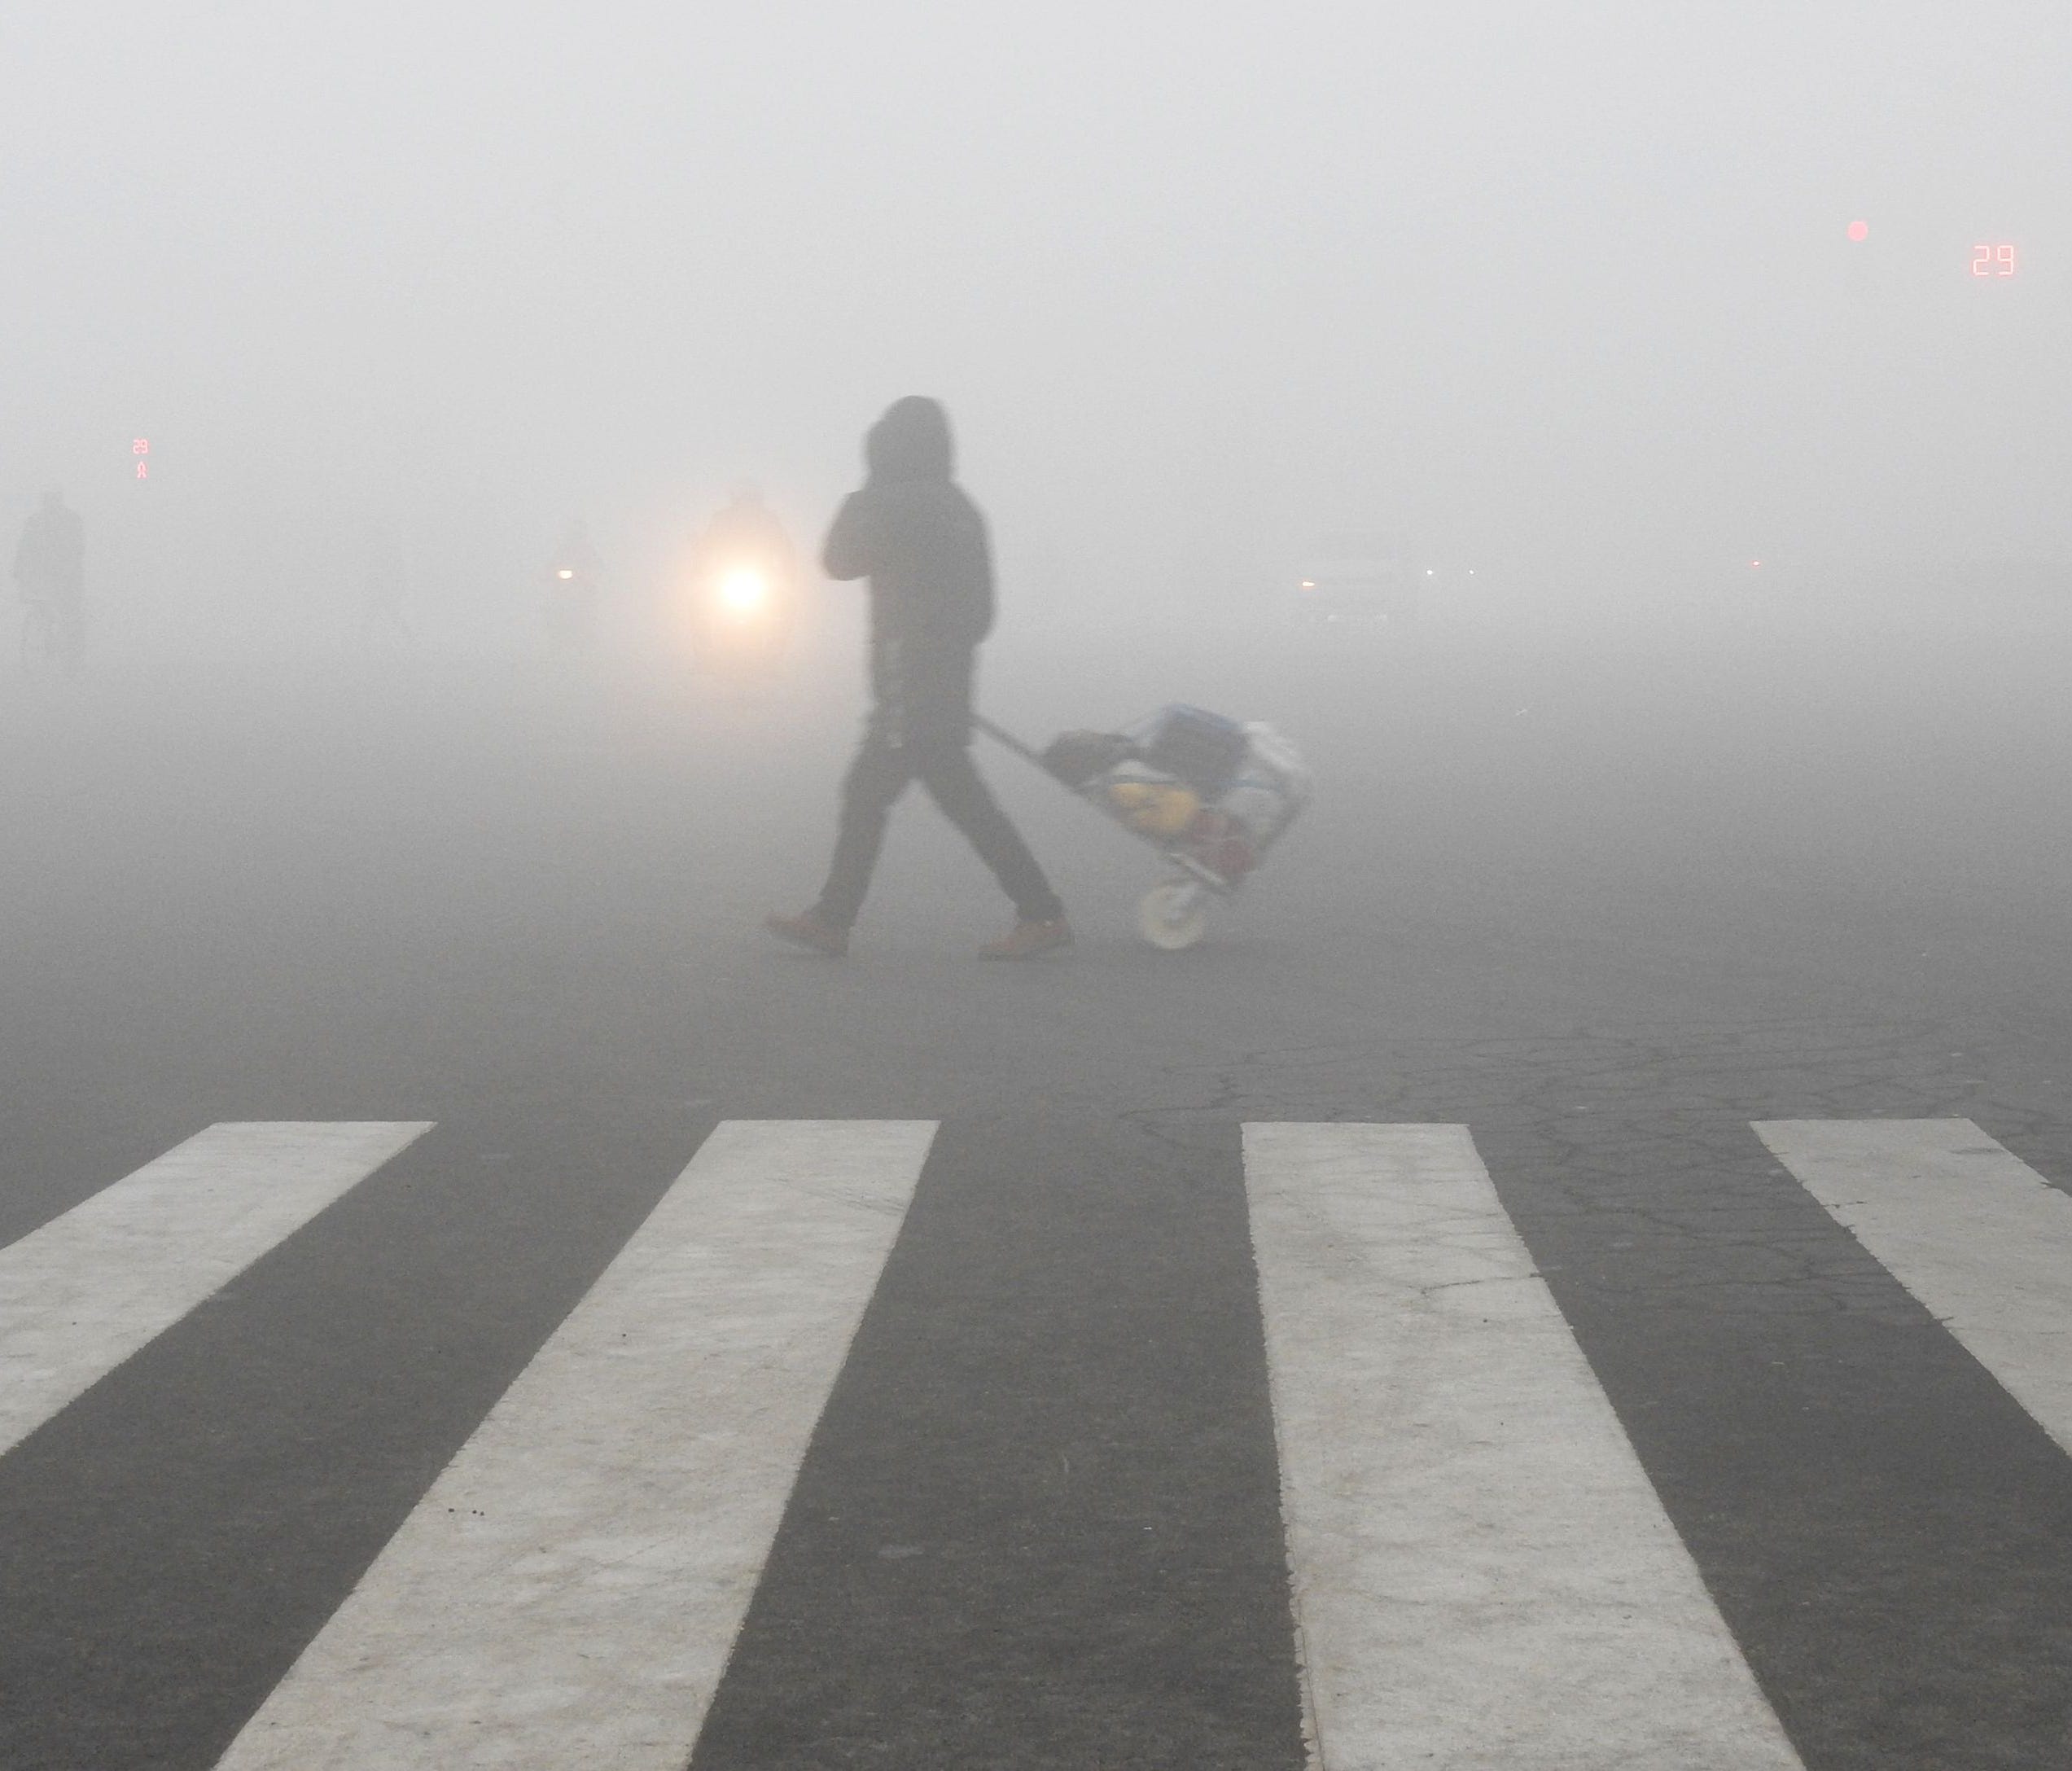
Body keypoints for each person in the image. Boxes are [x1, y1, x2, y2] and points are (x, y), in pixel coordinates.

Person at [766, 397, 1071, 959]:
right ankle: (1039, 911)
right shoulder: (960, 508)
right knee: (954, 801)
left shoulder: (894, 503)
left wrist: (862, 491)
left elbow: (836, 561)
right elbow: (982, 613)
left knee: (872, 796)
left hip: (908, 685)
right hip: (944, 680)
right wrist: (945, 655)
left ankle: (835, 920)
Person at [684, 484, 799, 670]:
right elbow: (705, 547)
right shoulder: (722, 519)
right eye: (745, 500)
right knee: (697, 605)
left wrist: (789, 572)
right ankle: (704, 656)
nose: (747, 505)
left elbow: (786, 549)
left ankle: (774, 655)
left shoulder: (769, 521)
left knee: (787, 608)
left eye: (750, 500)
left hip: (762, 581)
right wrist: (698, 568)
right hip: (724, 579)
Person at [13, 488, 87, 673]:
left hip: (59, 573)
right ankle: (69, 648)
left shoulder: (37, 521)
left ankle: (70, 648)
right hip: (60, 573)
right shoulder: (70, 519)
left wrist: (19, 569)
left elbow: (24, 547)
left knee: (66, 611)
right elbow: (79, 547)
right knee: (66, 611)